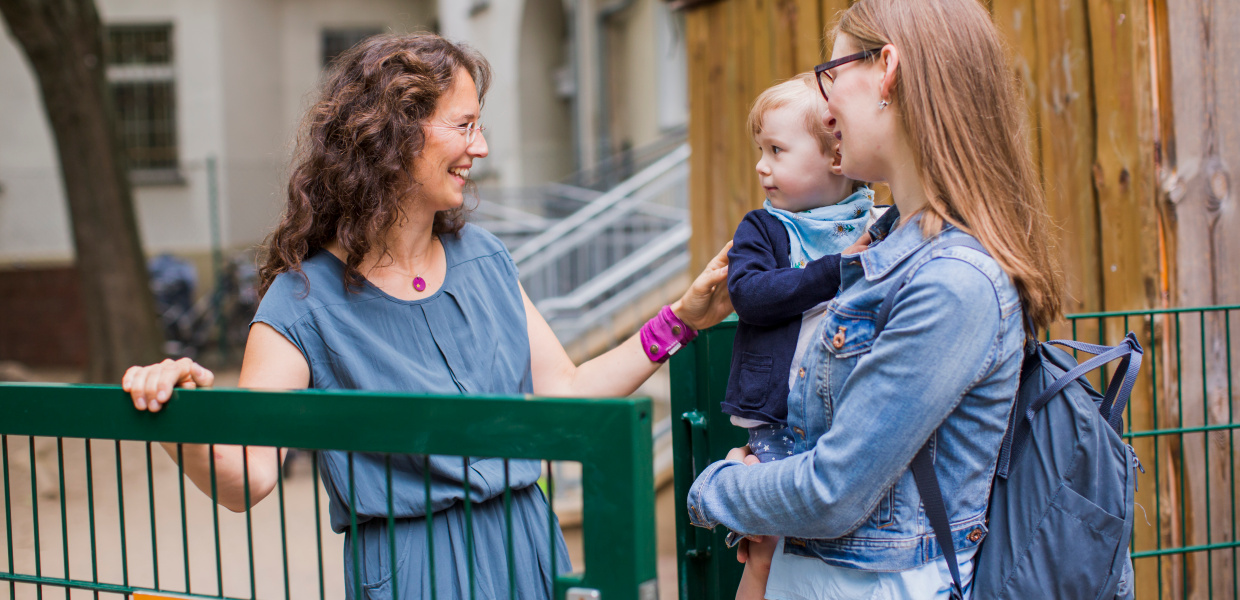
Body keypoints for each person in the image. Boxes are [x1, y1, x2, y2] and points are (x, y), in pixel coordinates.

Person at [120, 33, 733, 600]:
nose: (482, 147)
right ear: (393, 137)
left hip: (526, 543)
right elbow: (246, 479)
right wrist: (178, 416)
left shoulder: (485, 258)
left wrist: (681, 319)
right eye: (464, 125)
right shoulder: (301, 301)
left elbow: (566, 393)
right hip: (414, 567)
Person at [686, 0, 1066, 598]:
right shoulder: (888, 246)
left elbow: (832, 492)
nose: (825, 100)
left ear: (886, 70)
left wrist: (716, 488)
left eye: (830, 73)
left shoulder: (952, 282)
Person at [722, 72, 898, 600]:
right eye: (761, 150)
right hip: (779, 413)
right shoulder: (765, 228)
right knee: (767, 541)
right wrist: (835, 269)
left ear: (835, 156)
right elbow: (749, 294)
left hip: (849, 408)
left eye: (776, 150)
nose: (761, 165)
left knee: (840, 525)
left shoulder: (879, 219)